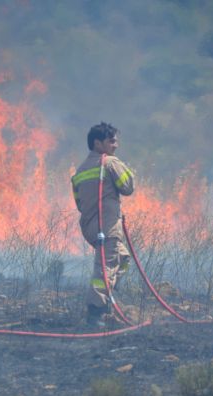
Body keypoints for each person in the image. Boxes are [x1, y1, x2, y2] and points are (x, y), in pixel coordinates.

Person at [71, 122, 135, 326]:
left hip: (90, 228)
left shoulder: (79, 171)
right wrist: (119, 164)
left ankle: (105, 298)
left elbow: (80, 204)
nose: (116, 145)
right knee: (104, 268)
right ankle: (95, 312)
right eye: (112, 141)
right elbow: (128, 187)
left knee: (122, 258)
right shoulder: (109, 163)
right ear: (98, 144)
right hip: (107, 227)